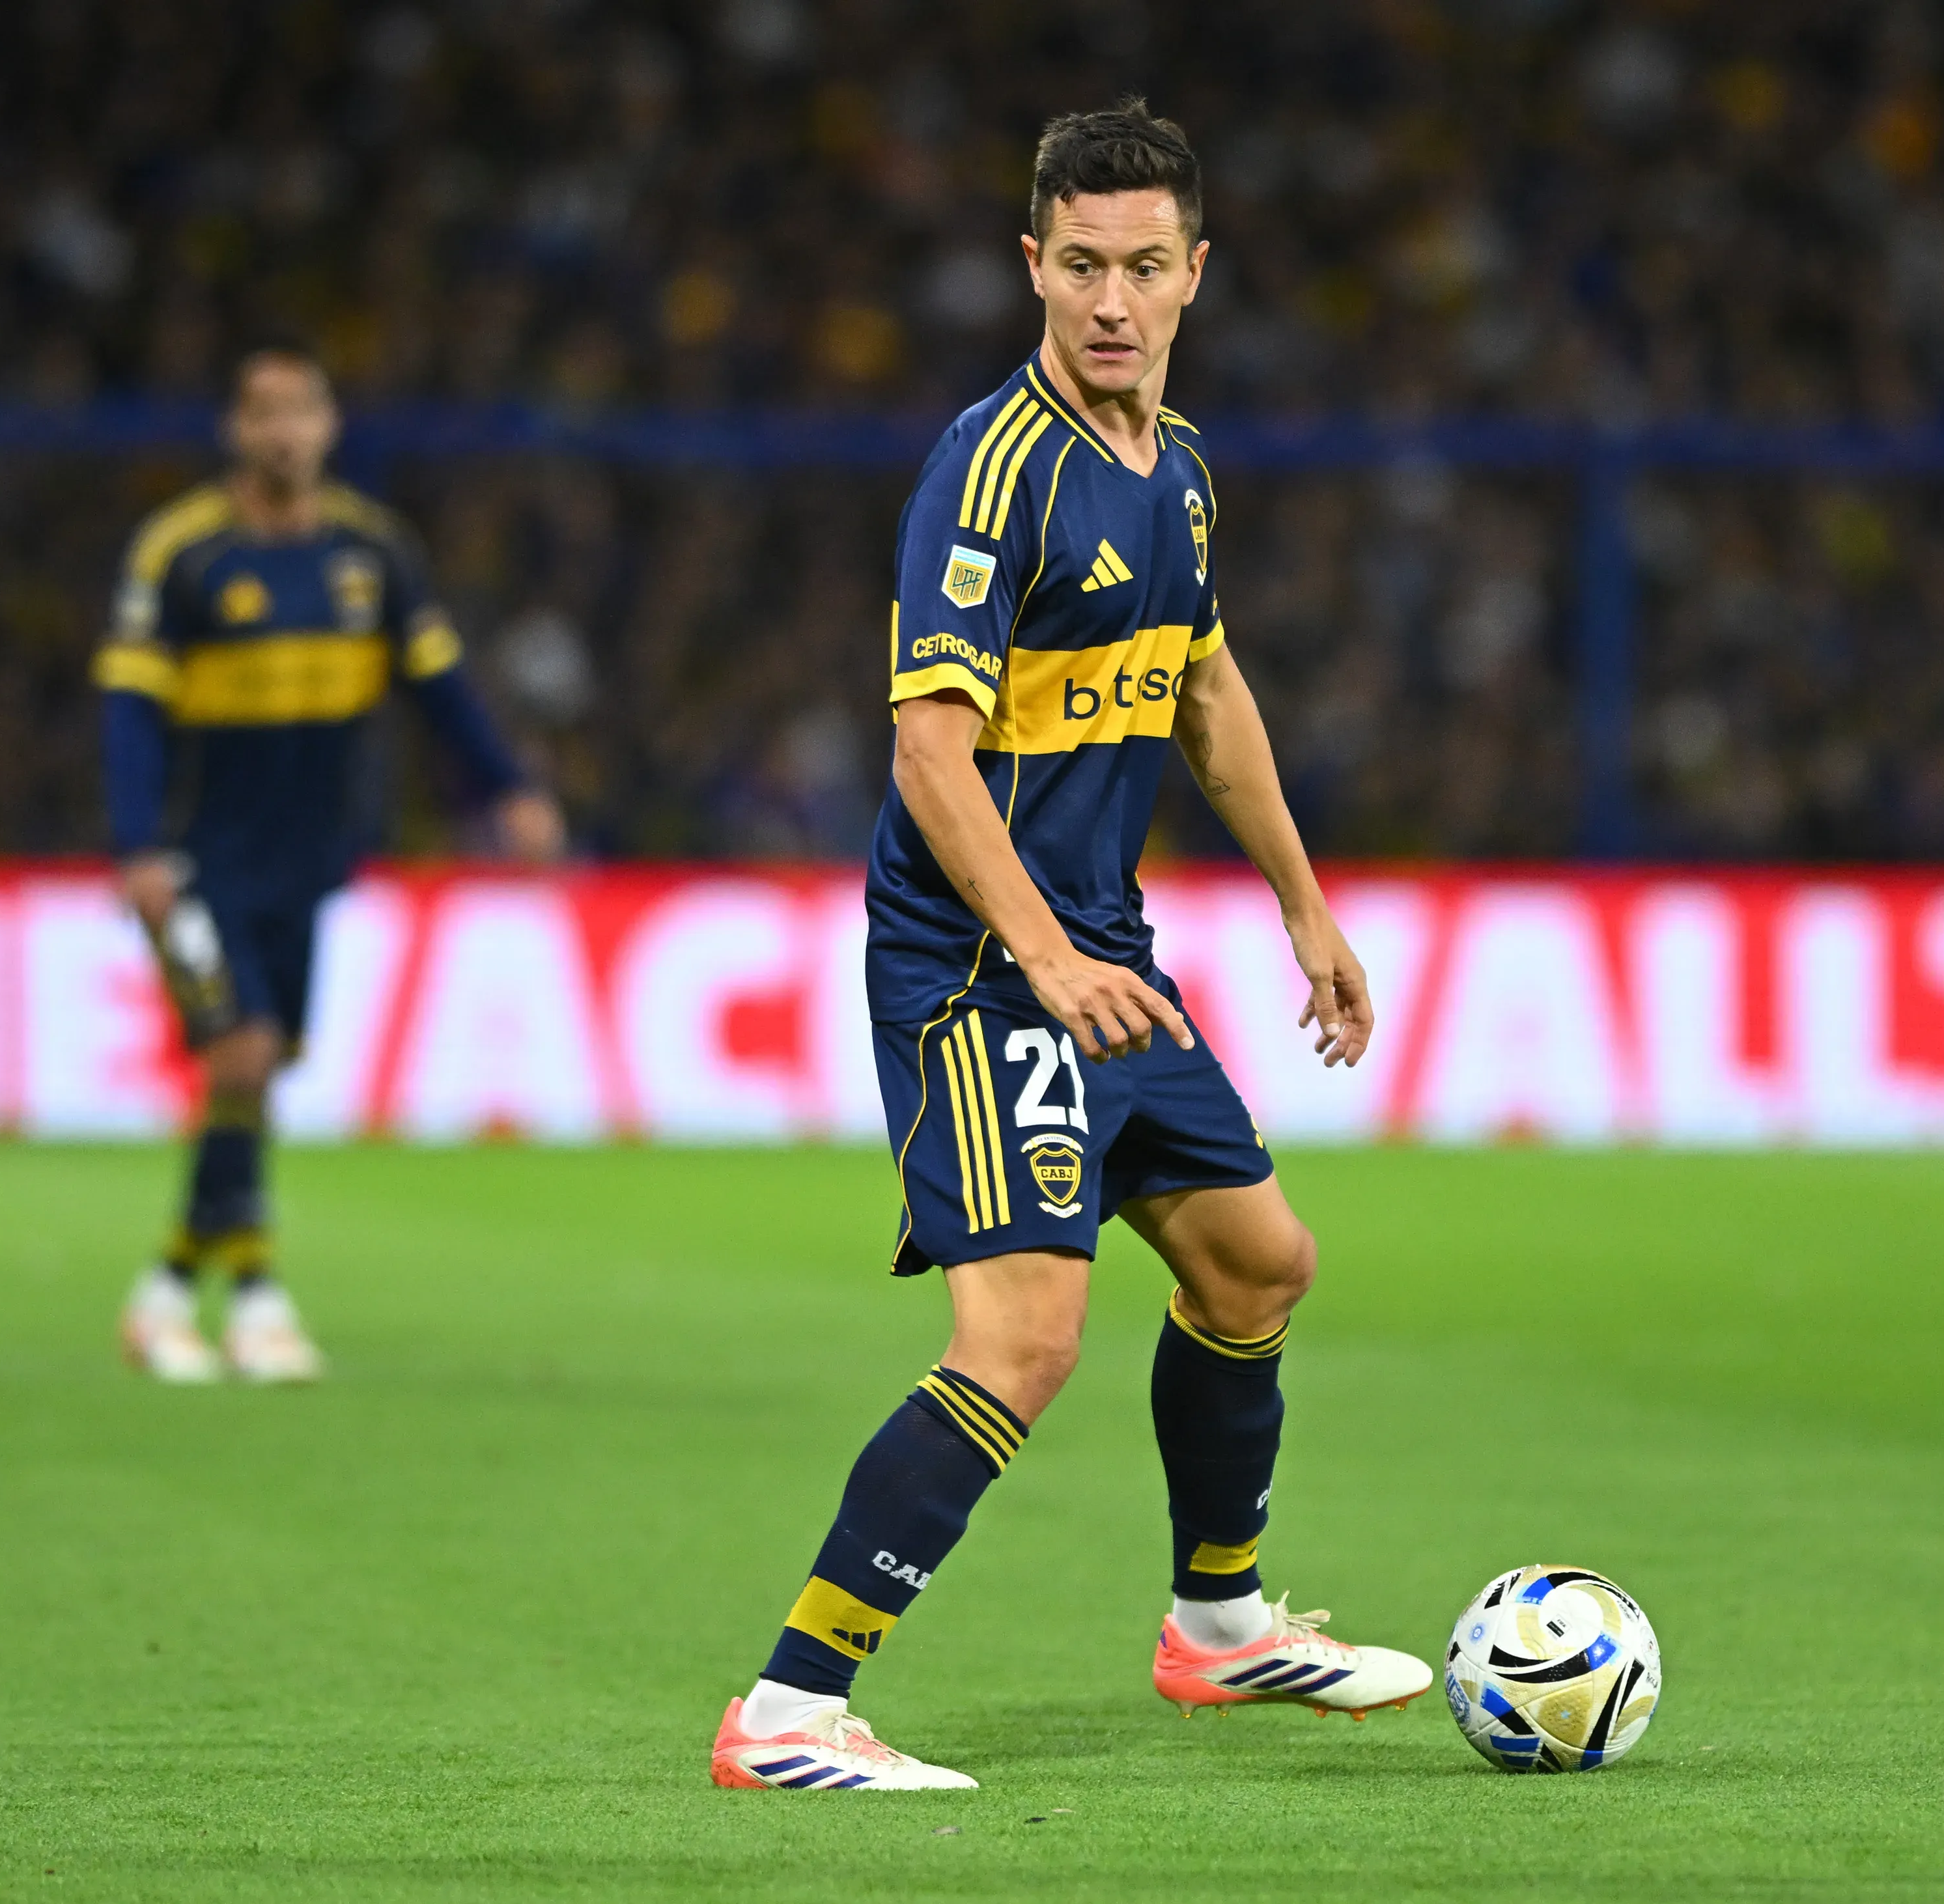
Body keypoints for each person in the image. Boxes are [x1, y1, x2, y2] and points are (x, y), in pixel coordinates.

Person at [711, 101, 1430, 1793]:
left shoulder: (1172, 471)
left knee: (1258, 1265)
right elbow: (927, 756)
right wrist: (1035, 955)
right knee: (1023, 1342)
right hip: (982, 970)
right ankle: (791, 1707)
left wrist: (1303, 902)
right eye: (1082, 266)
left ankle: (1222, 1626)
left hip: (1102, 953)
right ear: (1032, 266)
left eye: (1146, 268)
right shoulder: (994, 467)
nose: (1113, 300)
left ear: (1196, 275)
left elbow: (1203, 687)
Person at [96, 341, 564, 1384]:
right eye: (264, 413)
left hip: (307, 862)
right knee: (243, 1056)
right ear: (235, 430)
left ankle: (170, 1288)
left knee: (258, 1073)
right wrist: (135, 847)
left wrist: (509, 789)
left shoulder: (372, 555)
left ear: (330, 425)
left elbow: (440, 689)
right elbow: (129, 709)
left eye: (301, 411)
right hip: (194, 859)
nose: (284, 432)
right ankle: (256, 1299)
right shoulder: (182, 555)